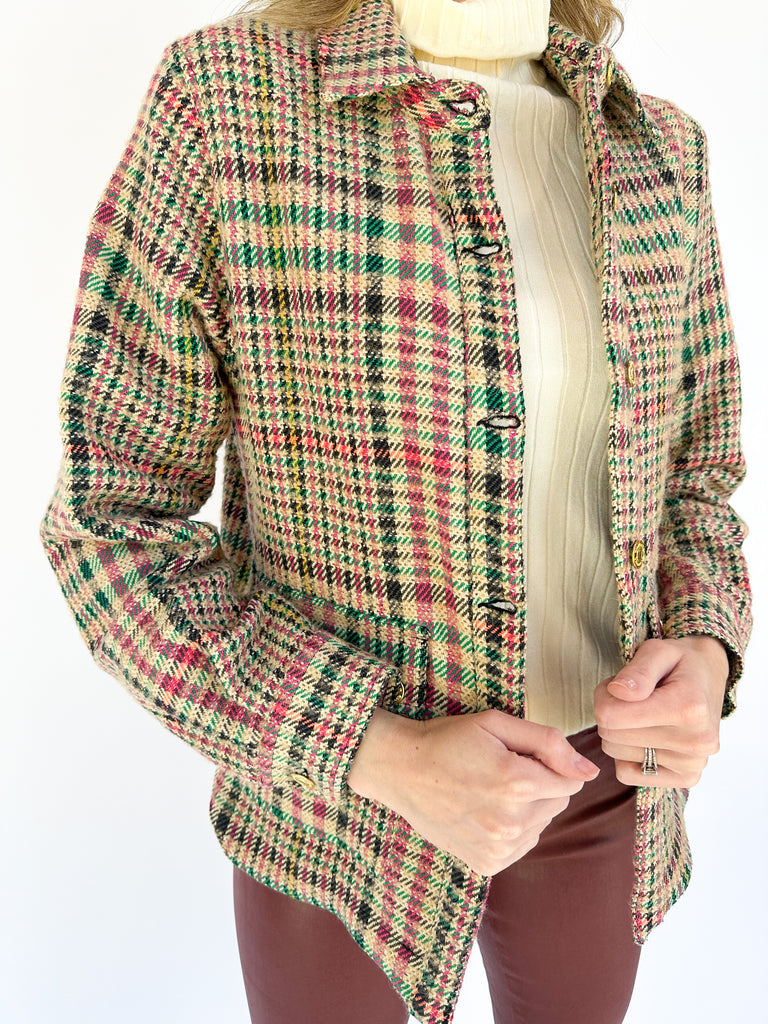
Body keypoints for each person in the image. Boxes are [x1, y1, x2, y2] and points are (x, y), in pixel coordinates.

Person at [38, 0, 751, 1021]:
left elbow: (696, 479)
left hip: (605, 787)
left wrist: (705, 648)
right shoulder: (229, 101)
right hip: (335, 808)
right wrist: (372, 747)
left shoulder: (659, 151)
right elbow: (113, 525)